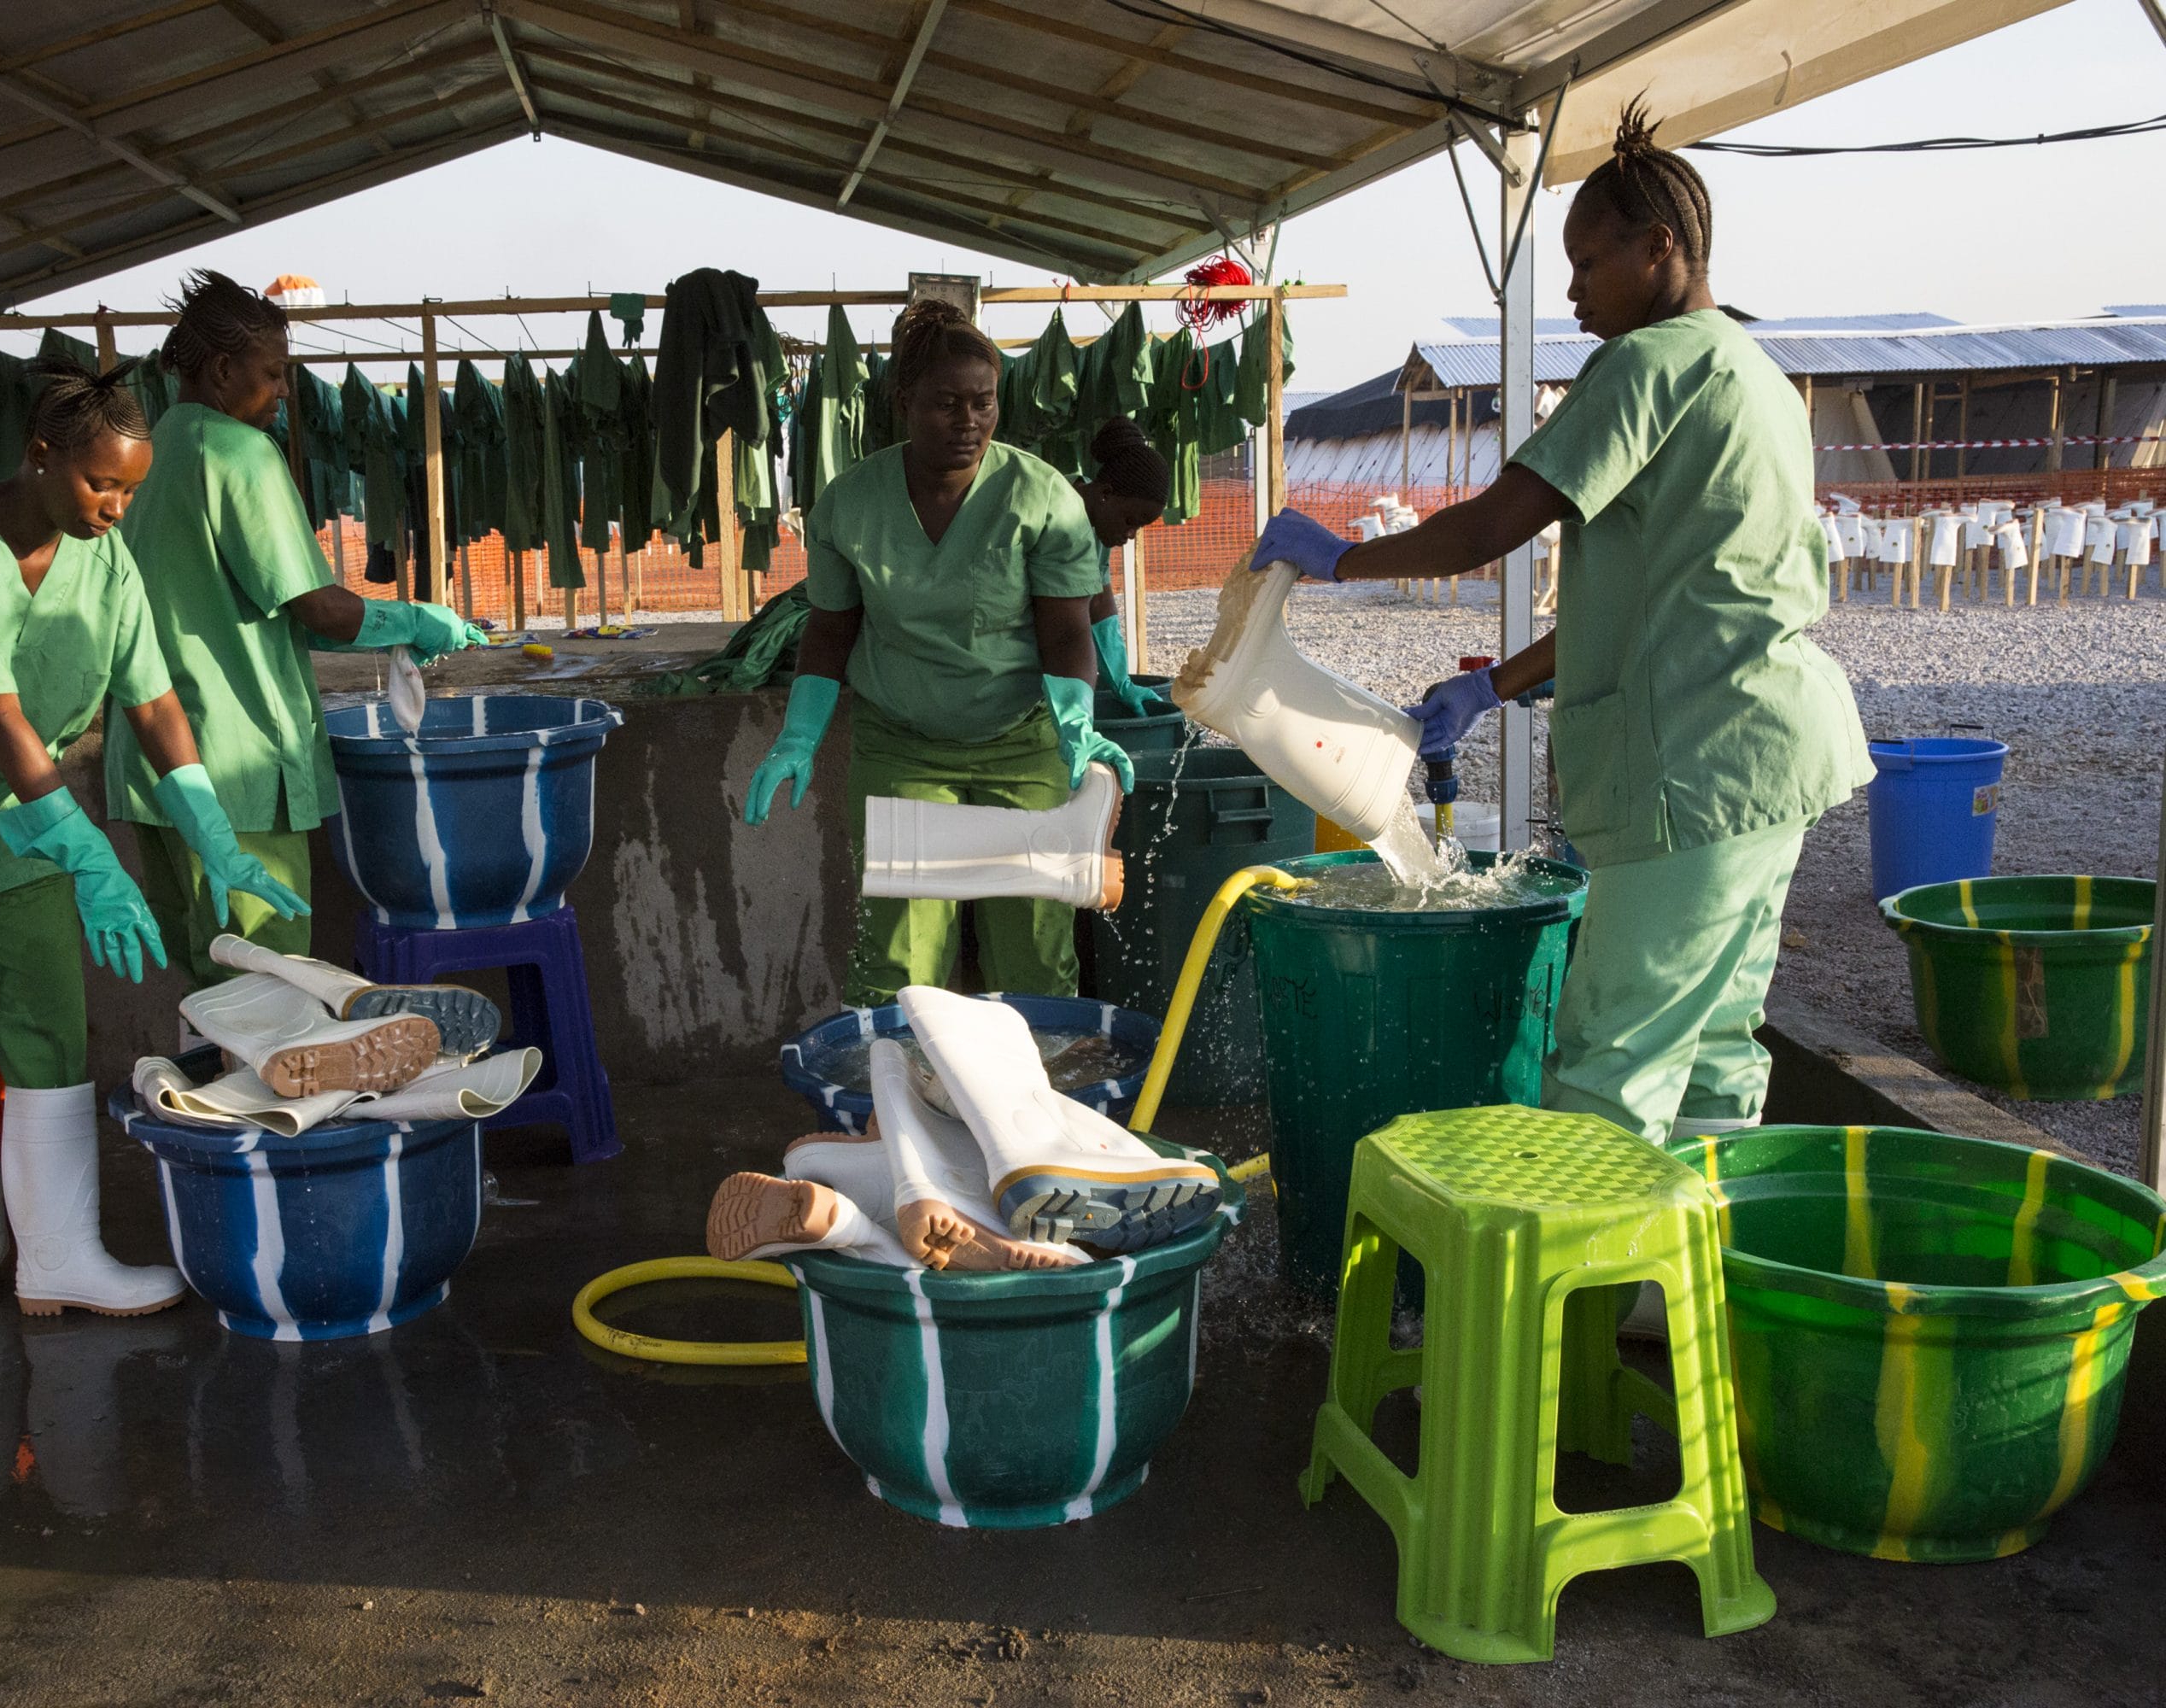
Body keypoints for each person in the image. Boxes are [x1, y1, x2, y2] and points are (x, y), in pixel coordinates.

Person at [1245, 105, 1870, 1147]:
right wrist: (1494, 685)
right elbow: (1661, 601)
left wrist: (1339, 556)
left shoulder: (1647, 364)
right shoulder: (1752, 370)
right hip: (1772, 757)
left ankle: (1578, 1308)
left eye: (1588, 262)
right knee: (1714, 1048)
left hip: (1694, 771)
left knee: (1612, 1054)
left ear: (1659, 248)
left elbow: (1490, 527)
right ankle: (1686, 1298)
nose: (1573, 289)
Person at [0, 360, 303, 1316]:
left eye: (129, 489)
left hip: (14, 828)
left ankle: (61, 1256)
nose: (116, 506)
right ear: (40, 456)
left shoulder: (105, 561)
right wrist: (91, 856)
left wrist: (215, 834)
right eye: (100, 482)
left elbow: (152, 702)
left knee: (46, 1030)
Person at [104, 270, 485, 989]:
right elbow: (315, 607)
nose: (284, 392)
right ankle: (261, 1106)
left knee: (206, 979)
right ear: (222, 370)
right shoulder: (239, 453)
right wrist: (414, 619)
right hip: (237, 766)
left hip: (157, 766)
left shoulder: (150, 454)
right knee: (268, 985)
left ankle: (209, 1097)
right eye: (274, 373)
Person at [746, 299, 1133, 1009]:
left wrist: (1078, 727)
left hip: (1022, 745)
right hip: (905, 747)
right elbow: (831, 630)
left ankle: (1031, 1107)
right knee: (902, 954)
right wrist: (799, 735)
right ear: (903, 403)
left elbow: (1066, 632)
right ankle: (898, 1102)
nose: (968, 422)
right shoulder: (850, 504)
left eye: (984, 403)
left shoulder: (1041, 498)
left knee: (1034, 949)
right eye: (946, 404)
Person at [1075, 416, 1174, 715]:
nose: (1131, 536)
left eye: (1139, 528)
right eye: (1131, 522)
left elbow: (1099, 600)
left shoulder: (1098, 528)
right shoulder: (1049, 510)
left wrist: (1121, 681)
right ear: (1105, 493)